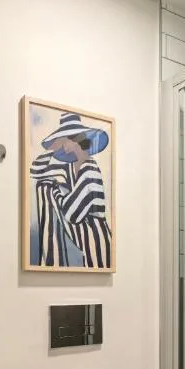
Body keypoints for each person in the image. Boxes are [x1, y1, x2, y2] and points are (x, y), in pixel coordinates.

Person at [30, 112, 112, 268]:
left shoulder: (89, 168)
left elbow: (72, 214)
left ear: (74, 140)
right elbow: (35, 170)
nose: (61, 144)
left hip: (97, 243)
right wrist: (53, 148)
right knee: (44, 185)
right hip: (88, 243)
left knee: (47, 187)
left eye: (63, 139)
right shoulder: (74, 167)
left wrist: (56, 193)